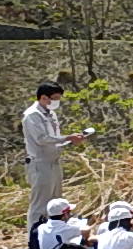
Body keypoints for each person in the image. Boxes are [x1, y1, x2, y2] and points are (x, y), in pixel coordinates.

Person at [21, 83, 89, 238]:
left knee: (56, 202)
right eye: (55, 99)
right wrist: (67, 137)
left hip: (54, 161)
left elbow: (54, 139)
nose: (56, 102)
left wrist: (70, 140)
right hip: (40, 163)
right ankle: (34, 239)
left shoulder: (50, 114)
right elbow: (41, 139)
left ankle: (53, 236)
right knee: (40, 204)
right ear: (44, 98)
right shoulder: (32, 115)